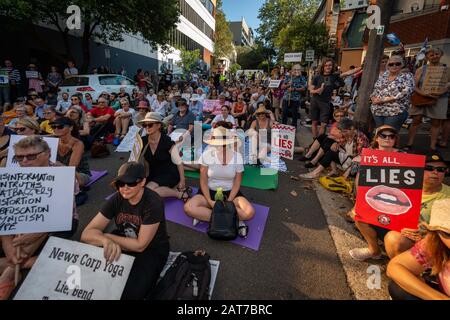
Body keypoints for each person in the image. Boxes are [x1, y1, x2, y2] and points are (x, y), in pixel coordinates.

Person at [0, 136, 79, 300]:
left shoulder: (63, 175)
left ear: (48, 154)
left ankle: (7, 275)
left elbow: (59, 214)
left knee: (40, 229)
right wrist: (8, 246)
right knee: (12, 248)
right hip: (19, 225)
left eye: (31, 156)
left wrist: (37, 233)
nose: (25, 161)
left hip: (59, 224)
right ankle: (22, 263)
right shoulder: (11, 176)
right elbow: (5, 213)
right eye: (19, 157)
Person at [81, 162, 169, 300]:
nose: (124, 188)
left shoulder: (153, 202)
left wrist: (107, 236)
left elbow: (140, 246)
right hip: (122, 242)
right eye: (120, 183)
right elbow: (86, 234)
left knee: (131, 294)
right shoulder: (117, 198)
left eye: (131, 183)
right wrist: (104, 240)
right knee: (90, 280)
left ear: (143, 182)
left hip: (151, 250)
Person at [349, 152, 450, 261]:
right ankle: (374, 250)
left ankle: (404, 267)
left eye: (440, 169)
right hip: (393, 223)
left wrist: (425, 235)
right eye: (429, 168)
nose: (435, 172)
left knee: (393, 239)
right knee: (359, 214)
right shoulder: (404, 184)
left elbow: (444, 232)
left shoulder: (448, 195)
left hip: (420, 238)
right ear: (419, 169)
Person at [184, 126, 255, 235]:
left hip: (231, 193)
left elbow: (237, 183)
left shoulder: (237, 157)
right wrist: (209, 201)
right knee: (188, 208)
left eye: (223, 142)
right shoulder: (206, 155)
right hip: (209, 191)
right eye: (218, 142)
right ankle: (232, 220)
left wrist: (229, 201)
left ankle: (206, 216)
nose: (221, 145)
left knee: (249, 212)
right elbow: (203, 181)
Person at [387, 199, 450, 300]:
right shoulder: (437, 243)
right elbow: (394, 267)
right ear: (437, 232)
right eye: (448, 233)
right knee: (398, 288)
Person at [137, 112, 191, 201]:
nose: (147, 127)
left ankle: (179, 194)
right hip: (154, 173)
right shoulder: (143, 141)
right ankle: (175, 190)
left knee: (148, 191)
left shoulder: (166, 141)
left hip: (169, 172)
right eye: (144, 125)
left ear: (159, 126)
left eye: (150, 125)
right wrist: (145, 177)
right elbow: (146, 162)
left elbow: (178, 161)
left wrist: (182, 180)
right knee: (142, 191)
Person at [407, 48, 450, 150]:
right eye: (431, 55)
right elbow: (414, 85)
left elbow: (448, 84)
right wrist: (424, 93)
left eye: (436, 54)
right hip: (422, 97)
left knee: (436, 122)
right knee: (416, 120)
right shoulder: (421, 69)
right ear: (427, 57)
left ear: (441, 55)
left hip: (439, 98)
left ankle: (432, 146)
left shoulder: (447, 69)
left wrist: (441, 92)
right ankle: (409, 143)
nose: (434, 56)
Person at [300, 119, 369, 179]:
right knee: (329, 144)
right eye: (342, 131)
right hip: (346, 156)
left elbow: (361, 157)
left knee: (331, 153)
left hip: (353, 162)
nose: (343, 133)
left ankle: (315, 173)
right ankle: (331, 170)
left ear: (352, 128)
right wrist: (336, 143)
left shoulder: (361, 138)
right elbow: (341, 142)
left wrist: (349, 170)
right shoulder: (347, 134)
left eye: (345, 131)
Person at [370, 55, 415, 131]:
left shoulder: (407, 76)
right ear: (387, 66)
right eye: (391, 64)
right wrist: (372, 97)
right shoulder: (384, 75)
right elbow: (376, 89)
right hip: (377, 110)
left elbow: (406, 92)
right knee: (380, 132)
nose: (394, 66)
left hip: (395, 111)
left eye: (397, 63)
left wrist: (383, 100)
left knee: (390, 132)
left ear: (402, 65)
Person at [309, 59, 345, 137]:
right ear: (323, 67)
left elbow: (347, 74)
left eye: (330, 65)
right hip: (315, 101)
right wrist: (318, 90)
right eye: (326, 65)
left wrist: (360, 68)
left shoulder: (335, 76)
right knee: (314, 122)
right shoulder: (317, 77)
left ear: (332, 67)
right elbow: (311, 90)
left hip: (326, 103)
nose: (328, 67)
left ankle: (320, 142)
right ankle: (315, 141)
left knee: (324, 124)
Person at [52, 117, 91, 187]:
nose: (56, 129)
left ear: (70, 128)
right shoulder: (53, 141)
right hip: (59, 171)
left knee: (74, 181)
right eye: (53, 127)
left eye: (60, 127)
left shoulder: (77, 144)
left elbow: (72, 168)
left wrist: (59, 165)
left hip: (79, 173)